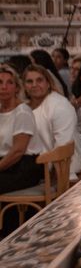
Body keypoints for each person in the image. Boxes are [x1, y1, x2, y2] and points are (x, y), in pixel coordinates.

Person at [23, 65, 81, 176]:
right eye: (29, 81)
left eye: (39, 80)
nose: (34, 85)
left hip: (51, 168)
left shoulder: (59, 105)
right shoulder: (23, 107)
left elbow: (62, 146)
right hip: (27, 161)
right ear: (24, 86)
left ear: (48, 83)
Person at [0, 65, 44, 194]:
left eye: (9, 83)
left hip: (23, 166)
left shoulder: (22, 112)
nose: (4, 87)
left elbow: (17, 152)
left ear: (17, 88)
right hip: (6, 163)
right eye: (0, 82)